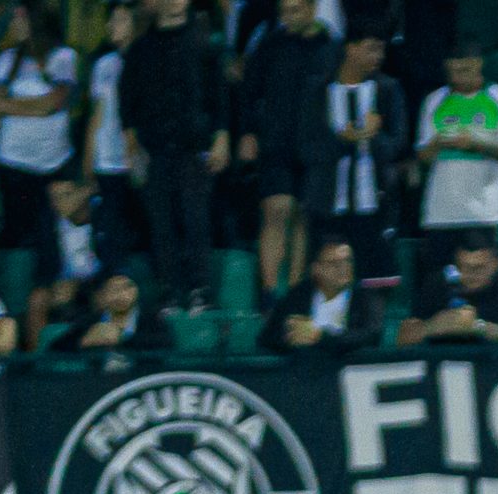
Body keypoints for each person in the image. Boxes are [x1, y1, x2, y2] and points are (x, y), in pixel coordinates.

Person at [121, 0, 228, 312]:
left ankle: (200, 289)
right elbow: (128, 101)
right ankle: (169, 289)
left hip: (192, 148)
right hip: (155, 150)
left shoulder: (205, 42)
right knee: (161, 222)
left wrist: (221, 138)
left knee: (196, 220)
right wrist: (132, 146)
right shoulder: (141, 49)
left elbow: (218, 95)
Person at [239, 0, 333, 297]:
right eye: (284, 11)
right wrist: (247, 133)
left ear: (312, 8)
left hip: (314, 146)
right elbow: (248, 91)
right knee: (277, 209)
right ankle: (268, 292)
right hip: (276, 143)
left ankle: (294, 292)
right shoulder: (271, 44)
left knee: (303, 216)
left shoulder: (330, 46)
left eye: (295, 10)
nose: (288, 18)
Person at [415, 44, 498, 280]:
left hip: (483, 211)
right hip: (440, 212)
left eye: (465, 69)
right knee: (438, 281)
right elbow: (423, 155)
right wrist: (439, 143)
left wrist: (478, 144)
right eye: (454, 70)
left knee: (479, 281)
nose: (459, 76)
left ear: (478, 64)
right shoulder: (434, 100)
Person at [303, 27, 405, 290]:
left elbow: (397, 147)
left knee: (375, 286)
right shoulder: (317, 91)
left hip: (373, 208)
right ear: (350, 47)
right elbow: (304, 147)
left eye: (382, 49)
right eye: (371, 48)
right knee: (327, 286)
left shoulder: (388, 90)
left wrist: (374, 136)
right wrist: (342, 141)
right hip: (328, 208)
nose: (378, 56)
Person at [0, 3, 80, 251]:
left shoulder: (62, 57)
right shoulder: (7, 60)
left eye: (20, 20)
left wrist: (16, 105)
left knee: (51, 235)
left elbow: (55, 103)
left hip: (52, 160)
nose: (14, 26)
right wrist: (37, 107)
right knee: (18, 234)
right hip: (13, 160)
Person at [26, 177, 121, 345]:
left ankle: (109, 353)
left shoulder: (105, 216)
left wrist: (80, 285)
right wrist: (54, 285)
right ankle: (38, 357)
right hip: (61, 283)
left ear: (85, 192)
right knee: (38, 299)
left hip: (98, 282)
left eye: (66, 195)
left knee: (109, 294)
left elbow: (114, 262)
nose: (58, 203)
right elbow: (42, 267)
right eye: (54, 198)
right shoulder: (48, 222)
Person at [399, 230, 498, 346]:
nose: (470, 274)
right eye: (463, 267)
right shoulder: (437, 286)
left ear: (495, 264)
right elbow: (403, 339)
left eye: (478, 268)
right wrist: (435, 325)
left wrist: (477, 326)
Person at [83, 2, 141, 257]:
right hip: (107, 161)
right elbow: (97, 114)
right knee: (109, 233)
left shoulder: (146, 60)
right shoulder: (104, 64)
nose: (111, 26)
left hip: (136, 159)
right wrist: (89, 157)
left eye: (119, 20)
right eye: (111, 20)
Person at [260, 237, 382, 351]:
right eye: (334, 263)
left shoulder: (366, 297)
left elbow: (371, 336)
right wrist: (290, 336)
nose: (343, 268)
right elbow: (267, 337)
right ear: (316, 269)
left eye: (347, 261)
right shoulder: (298, 296)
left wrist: (320, 337)